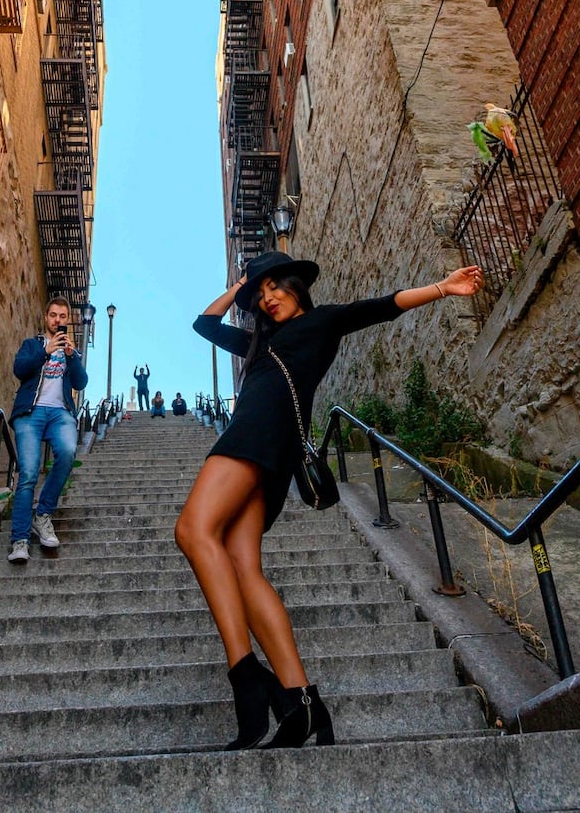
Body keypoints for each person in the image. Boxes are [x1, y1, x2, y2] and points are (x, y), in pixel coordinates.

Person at [174, 250, 483, 751]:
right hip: (267, 451)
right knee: (240, 564)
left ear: (297, 284)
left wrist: (442, 288)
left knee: (192, 530)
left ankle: (249, 681)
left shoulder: (322, 322)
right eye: (261, 295)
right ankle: (302, 705)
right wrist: (241, 285)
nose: (268, 298)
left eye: (275, 286)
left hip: (255, 439)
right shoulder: (258, 344)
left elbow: (383, 306)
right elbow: (203, 324)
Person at [7, 297, 88, 563]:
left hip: (59, 413)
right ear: (46, 317)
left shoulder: (70, 352)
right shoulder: (33, 344)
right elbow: (20, 370)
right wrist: (46, 350)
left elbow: (81, 381)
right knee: (28, 472)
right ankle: (19, 540)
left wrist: (71, 357)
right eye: (53, 315)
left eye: (63, 316)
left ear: (68, 320)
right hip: (30, 413)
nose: (58, 320)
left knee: (66, 453)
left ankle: (42, 515)